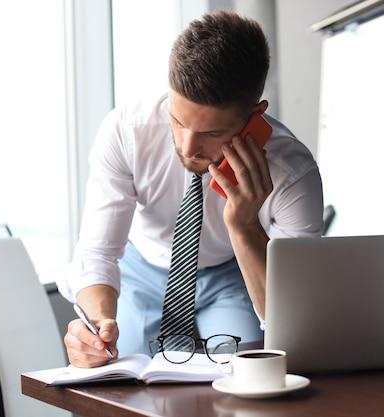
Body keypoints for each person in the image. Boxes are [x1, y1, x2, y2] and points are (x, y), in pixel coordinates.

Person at [58, 10, 324, 368]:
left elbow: (294, 319)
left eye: (213, 133)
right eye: (178, 121)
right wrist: (97, 327)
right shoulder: (127, 131)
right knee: (122, 373)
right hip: (144, 267)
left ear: (253, 116)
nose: (187, 148)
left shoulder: (293, 173)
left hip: (232, 271)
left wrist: (245, 227)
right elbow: (98, 252)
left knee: (248, 370)